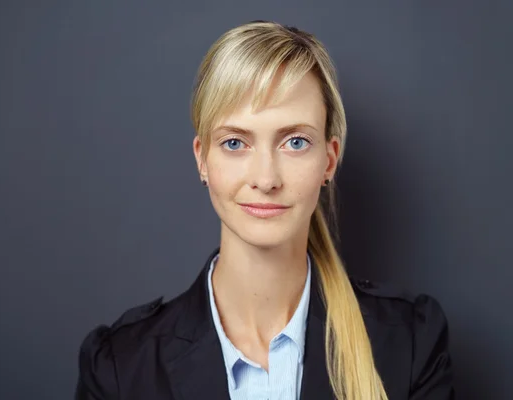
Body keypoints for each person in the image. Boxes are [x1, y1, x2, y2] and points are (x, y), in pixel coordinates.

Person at [74, 20, 454, 400]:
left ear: (329, 160)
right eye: (236, 143)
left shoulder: (411, 342)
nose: (266, 178)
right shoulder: (119, 366)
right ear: (202, 160)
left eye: (295, 142)